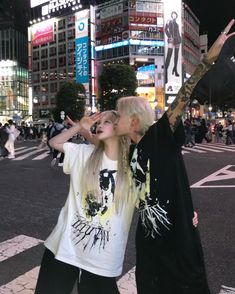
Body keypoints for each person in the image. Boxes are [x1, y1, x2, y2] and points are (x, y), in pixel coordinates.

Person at [115, 20, 235, 294]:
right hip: (148, 239)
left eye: (119, 114)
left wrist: (211, 55)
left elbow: (185, 93)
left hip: (176, 238)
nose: (115, 118)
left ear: (133, 120)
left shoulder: (159, 136)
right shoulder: (129, 149)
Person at [35, 111, 136, 294]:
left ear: (119, 128)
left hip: (101, 257)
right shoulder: (84, 153)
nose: (99, 125)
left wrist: (185, 211)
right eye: (100, 122)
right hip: (64, 246)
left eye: (107, 122)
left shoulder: (130, 166)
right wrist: (79, 127)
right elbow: (54, 143)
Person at [165, 11, 182, 84]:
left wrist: (180, 38)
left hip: (177, 40)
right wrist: (169, 36)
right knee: (169, 55)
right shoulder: (169, 21)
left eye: (175, 15)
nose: (174, 16)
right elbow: (166, 30)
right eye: (173, 14)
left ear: (176, 16)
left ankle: (175, 69)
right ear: (171, 15)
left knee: (176, 56)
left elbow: (177, 32)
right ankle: (165, 73)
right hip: (171, 40)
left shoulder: (177, 24)